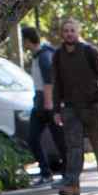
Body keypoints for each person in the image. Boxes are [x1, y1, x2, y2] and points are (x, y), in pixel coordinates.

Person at [48, 19, 98, 195]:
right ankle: (73, 185)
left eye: (72, 30)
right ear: (62, 34)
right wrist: (56, 110)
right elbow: (57, 84)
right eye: (66, 31)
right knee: (73, 148)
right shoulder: (58, 55)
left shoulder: (90, 52)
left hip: (90, 107)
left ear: (78, 32)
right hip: (70, 109)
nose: (69, 33)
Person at [20, 25, 66, 186]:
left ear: (27, 40)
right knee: (32, 138)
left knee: (59, 139)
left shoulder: (44, 56)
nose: (22, 44)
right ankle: (46, 173)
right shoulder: (36, 56)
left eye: (22, 40)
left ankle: (67, 173)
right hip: (39, 103)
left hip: (47, 103)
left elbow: (49, 81)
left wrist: (48, 103)